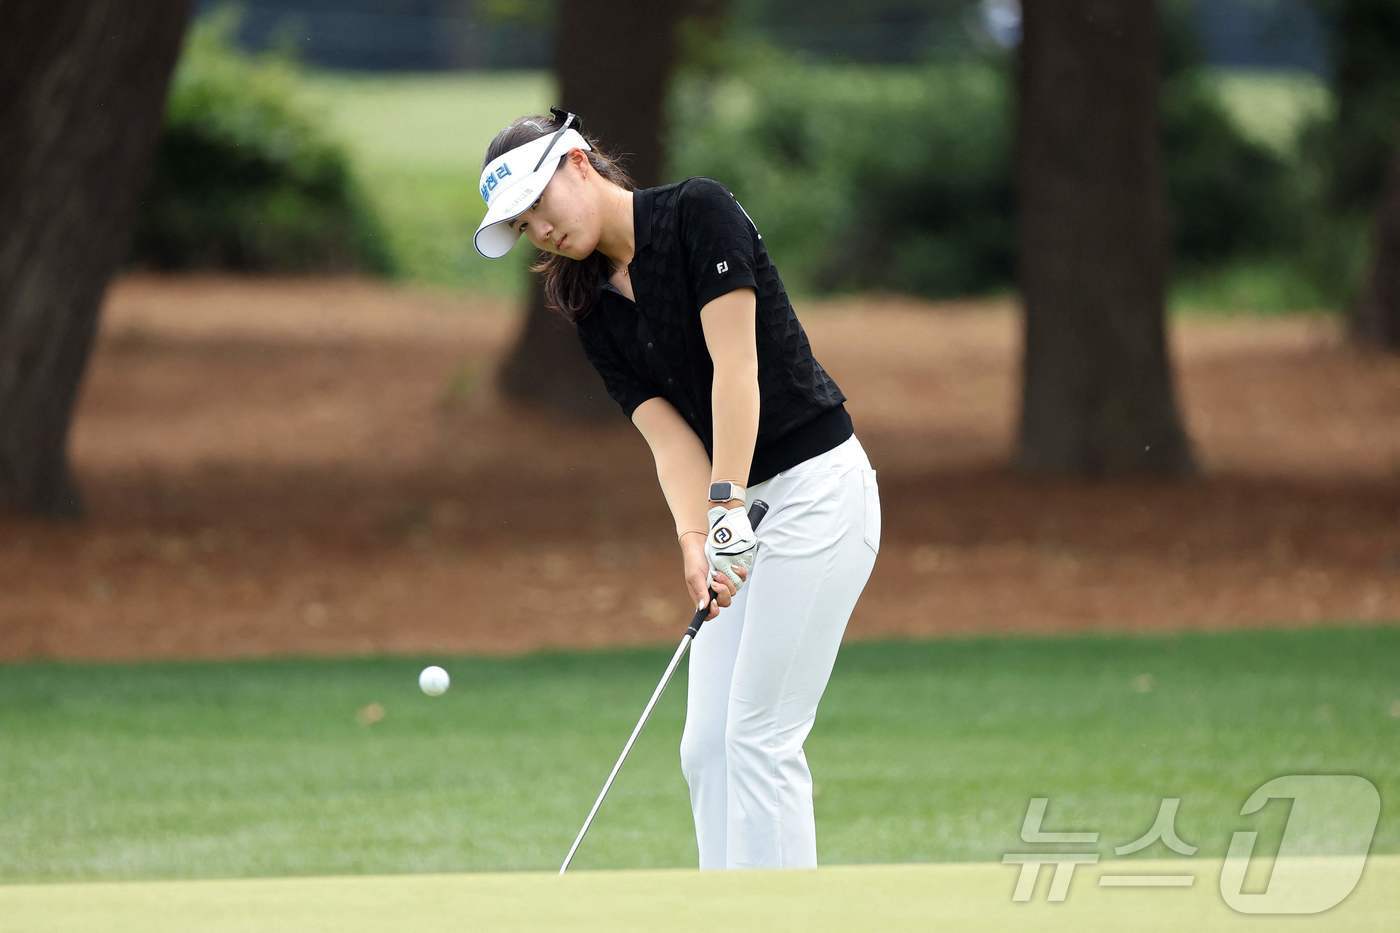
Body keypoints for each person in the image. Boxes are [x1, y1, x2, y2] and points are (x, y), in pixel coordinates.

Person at [474, 108, 881, 870]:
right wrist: (696, 536)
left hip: (817, 492)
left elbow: (737, 371)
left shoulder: (699, 212)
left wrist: (724, 504)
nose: (541, 231)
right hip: (737, 510)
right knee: (706, 748)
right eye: (523, 226)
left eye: (541, 207)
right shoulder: (587, 303)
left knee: (759, 736)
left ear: (580, 165)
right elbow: (667, 435)